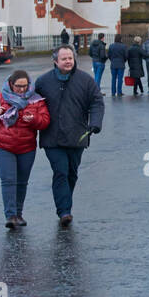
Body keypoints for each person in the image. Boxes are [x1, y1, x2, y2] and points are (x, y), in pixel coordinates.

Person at [35, 45, 105, 227]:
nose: (68, 61)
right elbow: (31, 103)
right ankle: (64, 211)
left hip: (77, 136)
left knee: (72, 174)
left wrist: (95, 123)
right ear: (55, 61)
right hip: (52, 137)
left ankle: (65, 203)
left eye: (70, 58)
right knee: (60, 172)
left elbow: (97, 102)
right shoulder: (43, 82)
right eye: (64, 58)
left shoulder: (85, 81)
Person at [0, 69, 51, 228]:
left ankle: (18, 214)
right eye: (18, 86)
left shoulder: (36, 100)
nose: (22, 89)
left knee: (22, 182)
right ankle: (10, 216)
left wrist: (34, 119)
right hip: (2, 146)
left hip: (26, 147)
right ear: (11, 84)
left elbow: (45, 121)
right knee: (9, 180)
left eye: (25, 86)